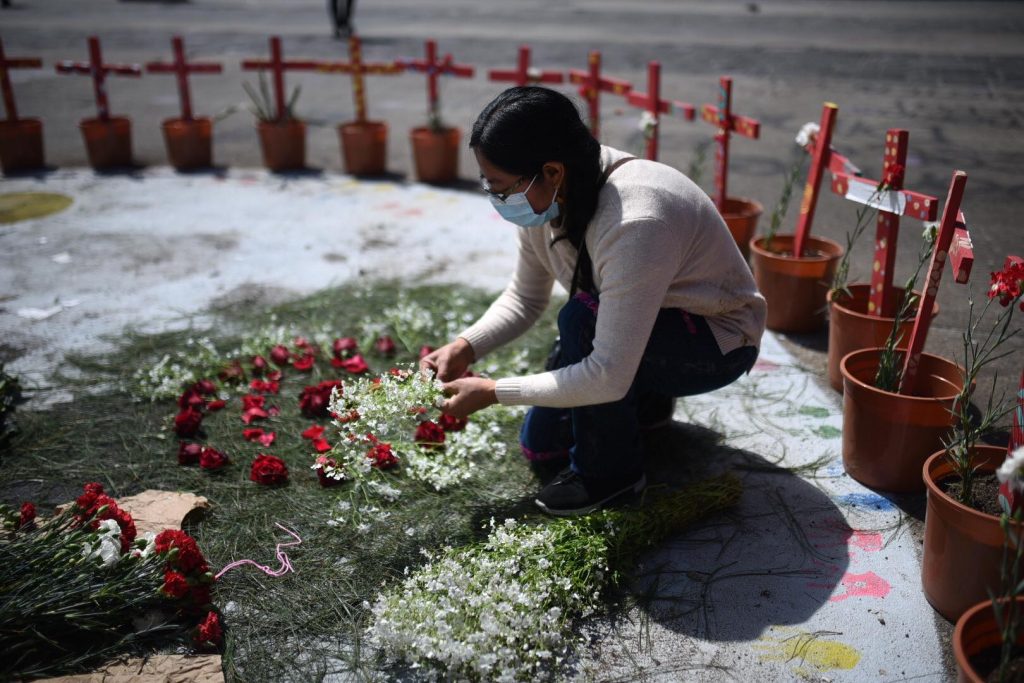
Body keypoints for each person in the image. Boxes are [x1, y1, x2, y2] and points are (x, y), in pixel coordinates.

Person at [421, 86, 766, 517]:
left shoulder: (636, 219)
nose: (495, 197)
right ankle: (646, 404)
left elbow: (605, 377)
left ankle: (611, 478)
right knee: (541, 448)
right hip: (649, 324)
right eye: (488, 182)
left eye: (499, 185)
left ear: (551, 171)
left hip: (716, 343)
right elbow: (526, 297)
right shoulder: (544, 199)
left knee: (582, 321)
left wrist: (493, 392)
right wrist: (466, 346)